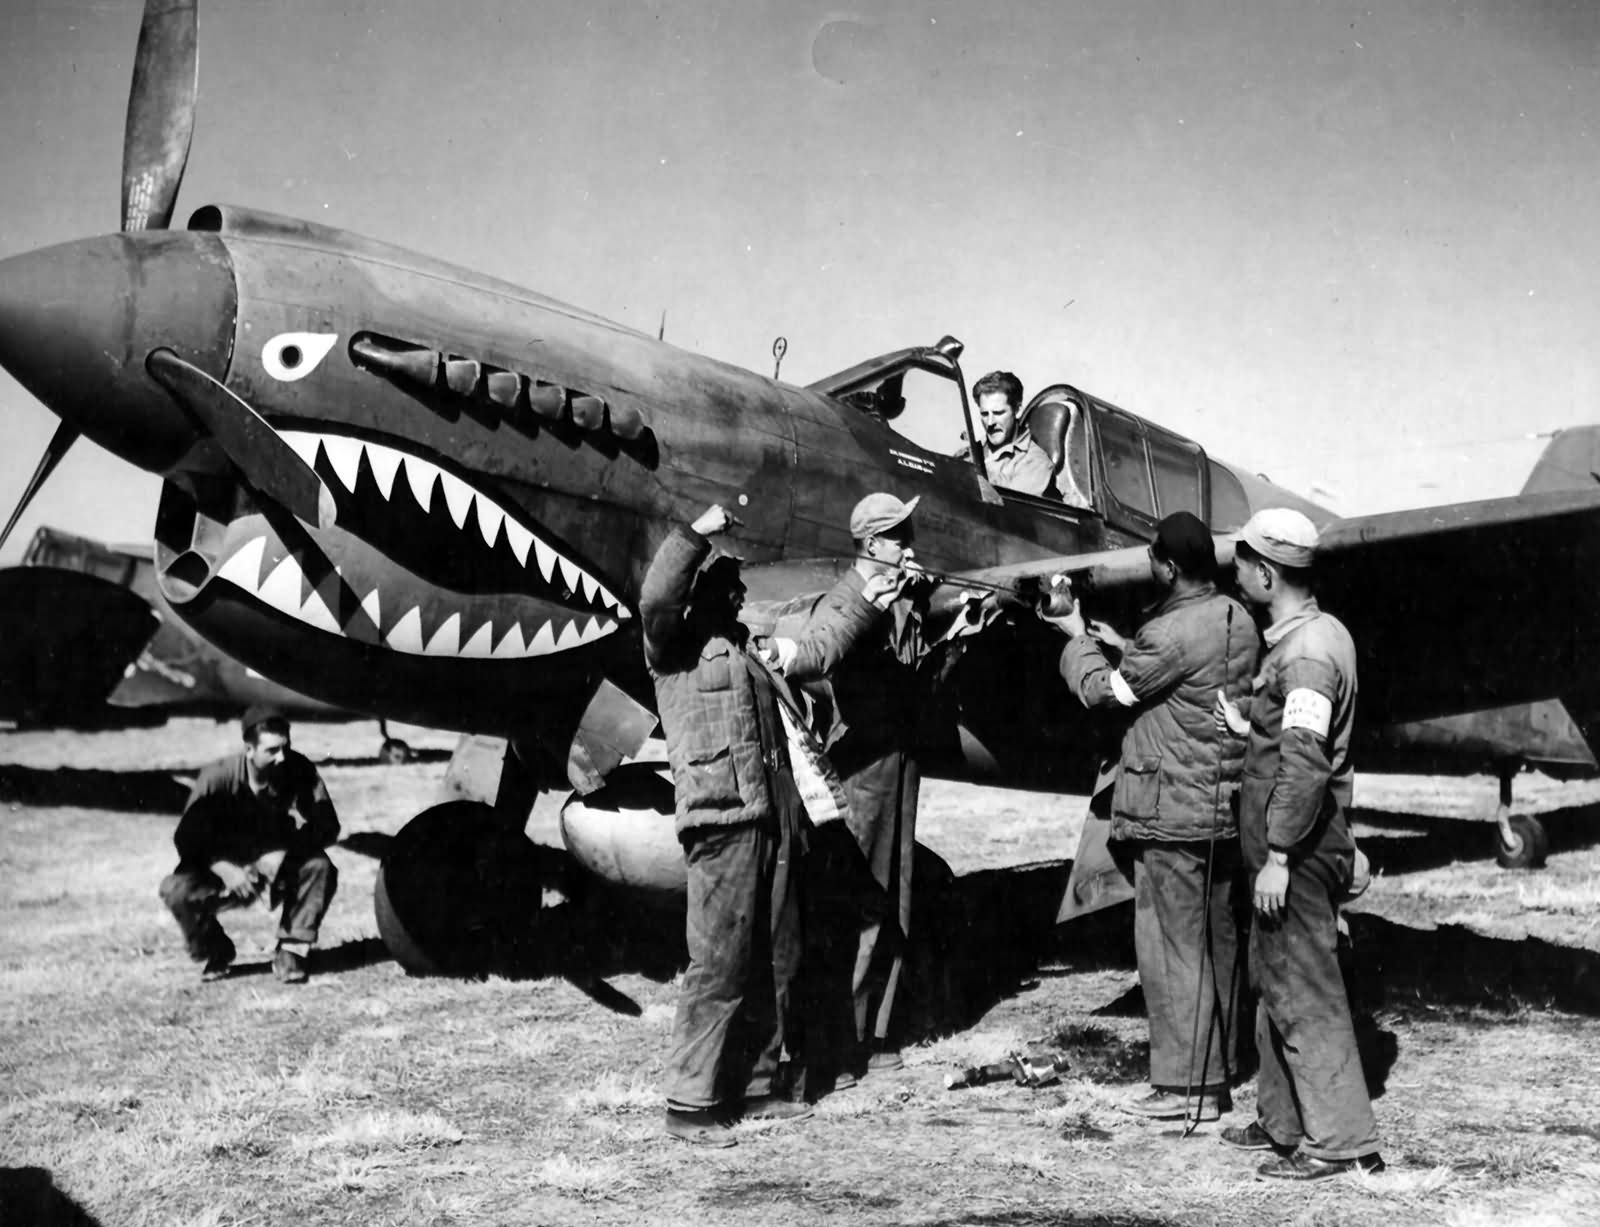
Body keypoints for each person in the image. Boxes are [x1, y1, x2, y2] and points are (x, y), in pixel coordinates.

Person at [643, 503, 901, 1146]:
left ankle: (757, 1087)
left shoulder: (751, 654)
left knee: (773, 959)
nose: (739, 594)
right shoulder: (671, 649)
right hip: (723, 821)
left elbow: (818, 645)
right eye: (727, 584)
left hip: (775, 823)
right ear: (701, 591)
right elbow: (655, 597)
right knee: (720, 964)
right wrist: (693, 537)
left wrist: (866, 592)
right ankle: (691, 1104)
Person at [1046, 511, 1257, 1122]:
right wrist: (1125, 647)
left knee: (1171, 951)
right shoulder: (1236, 618)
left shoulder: (1167, 636)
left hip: (1169, 815)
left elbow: (1103, 693)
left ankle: (1184, 1090)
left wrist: (1075, 636)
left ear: (1164, 566)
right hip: (1219, 810)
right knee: (1217, 944)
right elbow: (1183, 671)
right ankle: (1220, 1070)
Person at [1215, 507, 1384, 1179]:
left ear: (1265, 571)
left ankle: (1339, 1141)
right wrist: (1247, 721)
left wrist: (1280, 855)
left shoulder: (1306, 654)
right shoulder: (1313, 633)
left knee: (1305, 986)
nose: (1237, 574)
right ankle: (1283, 1120)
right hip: (1292, 843)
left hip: (1300, 851)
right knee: (1276, 980)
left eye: (1243, 565)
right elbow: (1289, 735)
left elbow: (1307, 761)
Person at [772, 492, 928, 1082]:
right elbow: (818, 652)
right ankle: (839, 1043)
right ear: (870, 545)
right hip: (866, 766)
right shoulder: (850, 596)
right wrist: (870, 603)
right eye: (897, 536)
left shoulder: (892, 594)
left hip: (892, 761)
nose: (908, 545)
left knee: (891, 896)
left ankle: (872, 1031)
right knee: (861, 904)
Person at [158, 704, 340, 985]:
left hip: (275, 859)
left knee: (319, 867)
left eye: (285, 747)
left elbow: (327, 826)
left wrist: (286, 852)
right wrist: (222, 866)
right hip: (222, 863)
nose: (281, 758)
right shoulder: (216, 778)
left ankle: (291, 949)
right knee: (176, 890)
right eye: (271, 751)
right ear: (249, 749)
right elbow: (187, 836)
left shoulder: (298, 769)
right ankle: (214, 947)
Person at [971, 370, 1059, 498]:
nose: (990, 422)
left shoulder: (1036, 463)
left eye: (998, 413)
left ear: (1017, 410)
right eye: (984, 414)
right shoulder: (970, 452)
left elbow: (1008, 509)